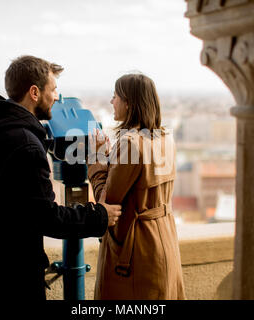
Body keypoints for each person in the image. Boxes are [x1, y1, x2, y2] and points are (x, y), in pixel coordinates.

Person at [0, 55, 122, 300]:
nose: (57, 97)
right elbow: (47, 218)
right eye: (53, 89)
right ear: (34, 92)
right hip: (8, 280)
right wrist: (100, 215)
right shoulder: (25, 146)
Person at [87, 73, 186, 299]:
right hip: (165, 241)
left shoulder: (130, 143)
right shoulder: (166, 138)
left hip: (135, 251)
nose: (112, 102)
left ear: (128, 103)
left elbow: (107, 201)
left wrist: (96, 159)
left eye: (115, 97)